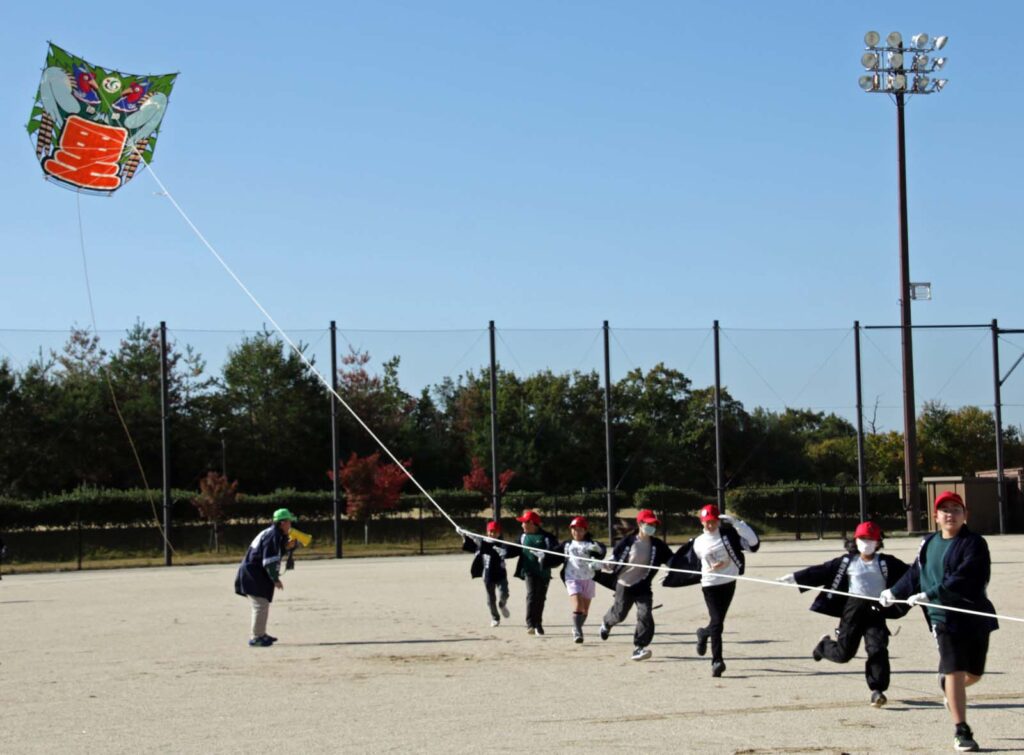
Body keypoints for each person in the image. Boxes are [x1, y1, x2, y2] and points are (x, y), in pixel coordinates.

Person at [880, 491, 998, 753]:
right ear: (936, 516)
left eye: (956, 509)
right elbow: (915, 573)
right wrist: (894, 592)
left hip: (974, 615)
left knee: (974, 674)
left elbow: (968, 576)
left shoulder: (974, 543)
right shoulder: (927, 542)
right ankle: (962, 731)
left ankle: (950, 689)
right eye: (945, 510)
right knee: (954, 669)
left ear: (965, 515)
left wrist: (931, 594)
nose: (950, 514)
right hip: (942, 617)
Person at [777, 521, 909, 707]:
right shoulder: (848, 562)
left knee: (878, 649)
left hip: (876, 610)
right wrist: (796, 578)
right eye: (863, 539)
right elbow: (822, 571)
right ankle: (824, 646)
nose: (866, 543)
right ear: (855, 540)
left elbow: (911, 575)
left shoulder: (887, 562)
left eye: (871, 539)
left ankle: (877, 689)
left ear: (878, 542)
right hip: (853, 610)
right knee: (844, 654)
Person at [692, 504, 759, 677]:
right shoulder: (698, 542)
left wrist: (737, 524)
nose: (710, 525)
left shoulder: (729, 535)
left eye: (713, 521)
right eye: (707, 522)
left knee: (717, 623)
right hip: (710, 585)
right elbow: (694, 562)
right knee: (717, 623)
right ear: (701, 522)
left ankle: (703, 633)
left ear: (719, 521)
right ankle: (717, 661)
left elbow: (753, 544)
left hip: (729, 583)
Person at [599, 509, 673, 661]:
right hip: (624, 584)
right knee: (619, 614)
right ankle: (607, 623)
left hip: (643, 587)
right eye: (649, 524)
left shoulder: (658, 545)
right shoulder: (628, 542)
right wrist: (601, 565)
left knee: (645, 614)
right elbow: (614, 560)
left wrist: (671, 571)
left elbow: (672, 560)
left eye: (654, 525)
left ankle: (640, 647)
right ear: (640, 524)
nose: (652, 527)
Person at [234, 507, 297, 647]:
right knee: (260, 604)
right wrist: (275, 579)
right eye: (289, 522)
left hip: (255, 573)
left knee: (262, 604)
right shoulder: (272, 535)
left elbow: (275, 551)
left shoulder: (274, 533)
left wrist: (288, 547)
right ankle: (256, 637)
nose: (290, 525)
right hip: (252, 574)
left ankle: (261, 634)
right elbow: (268, 560)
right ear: (282, 523)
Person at [556, 516, 607, 643]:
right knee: (578, 606)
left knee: (585, 610)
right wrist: (544, 557)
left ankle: (576, 627)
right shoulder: (567, 544)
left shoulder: (591, 544)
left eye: (579, 529)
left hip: (589, 579)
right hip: (572, 578)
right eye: (574, 529)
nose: (576, 532)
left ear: (585, 530)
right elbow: (554, 554)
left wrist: (598, 551)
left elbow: (601, 551)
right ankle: (578, 632)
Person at [513, 509, 560, 636]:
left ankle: (538, 623)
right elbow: (513, 549)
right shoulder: (523, 536)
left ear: (532, 523)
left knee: (541, 598)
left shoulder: (547, 537)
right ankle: (530, 624)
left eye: (524, 522)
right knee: (531, 595)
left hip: (543, 572)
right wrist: (504, 552)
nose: (522, 525)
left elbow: (556, 553)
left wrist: (545, 556)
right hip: (528, 571)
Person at [461, 520, 516, 627]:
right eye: (490, 531)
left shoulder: (501, 543)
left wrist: (505, 552)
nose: (492, 534)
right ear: (487, 532)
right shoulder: (483, 542)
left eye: (495, 532)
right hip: (487, 575)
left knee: (504, 593)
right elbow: (472, 546)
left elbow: (503, 549)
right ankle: (495, 617)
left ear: (499, 533)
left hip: (500, 575)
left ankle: (502, 604)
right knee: (490, 599)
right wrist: (464, 535)